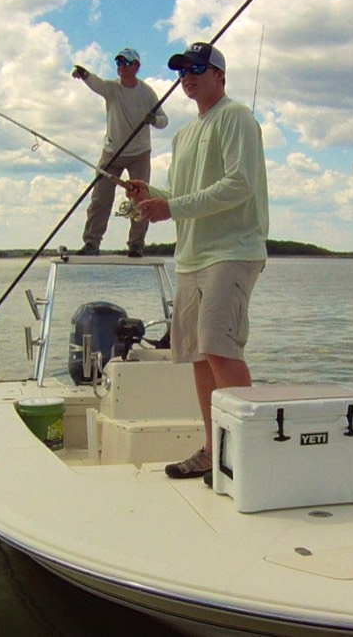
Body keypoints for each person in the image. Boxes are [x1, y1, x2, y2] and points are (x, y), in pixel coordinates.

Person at [124, 42, 268, 481]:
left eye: (198, 68)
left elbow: (239, 184)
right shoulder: (184, 135)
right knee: (199, 357)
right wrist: (152, 197)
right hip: (189, 257)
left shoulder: (236, 117)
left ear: (220, 76)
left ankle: (254, 453)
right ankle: (212, 448)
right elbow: (180, 197)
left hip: (232, 251)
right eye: (182, 69)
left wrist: (173, 207)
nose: (188, 75)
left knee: (219, 346)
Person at [71, 47, 168, 258]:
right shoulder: (112, 89)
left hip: (139, 153)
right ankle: (91, 243)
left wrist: (153, 120)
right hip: (112, 152)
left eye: (126, 63)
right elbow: (97, 83)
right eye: (119, 63)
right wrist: (84, 74)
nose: (121, 67)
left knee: (141, 200)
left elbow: (164, 120)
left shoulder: (146, 92)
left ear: (137, 66)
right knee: (100, 198)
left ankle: (136, 245)